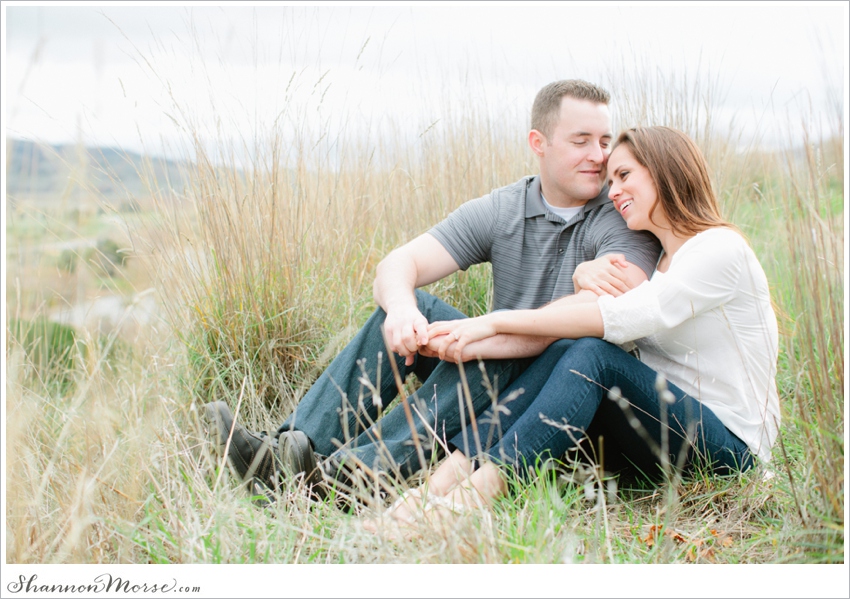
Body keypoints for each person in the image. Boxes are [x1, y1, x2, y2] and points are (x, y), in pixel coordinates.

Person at [202, 80, 661, 499]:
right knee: (407, 306)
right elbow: (398, 263)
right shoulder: (505, 208)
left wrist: (485, 335)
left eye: (604, 141)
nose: (600, 156)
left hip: (566, 411)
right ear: (538, 144)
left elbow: (596, 316)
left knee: (510, 354)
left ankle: (348, 479)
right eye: (581, 141)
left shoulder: (622, 213)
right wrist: (403, 312)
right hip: (496, 378)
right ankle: (287, 453)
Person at [373, 125, 780, 526]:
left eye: (624, 175)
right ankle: (430, 493)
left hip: (729, 448)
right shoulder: (655, 266)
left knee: (591, 353)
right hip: (657, 437)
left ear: (664, 170)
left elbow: (620, 318)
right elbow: (609, 312)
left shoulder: (720, 249)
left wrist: (493, 322)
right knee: (564, 351)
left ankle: (467, 501)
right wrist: (584, 272)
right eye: (610, 179)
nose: (613, 190)